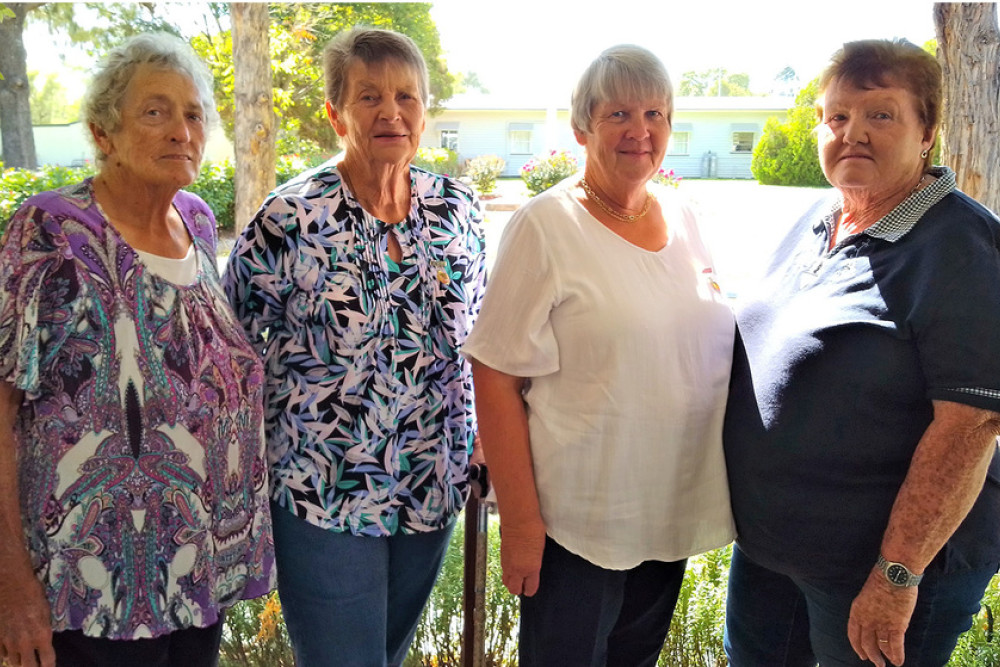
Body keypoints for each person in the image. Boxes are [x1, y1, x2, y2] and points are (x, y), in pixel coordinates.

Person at [0, 33, 275, 667]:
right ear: (104, 133)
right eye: (155, 112)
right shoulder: (51, 231)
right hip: (88, 586)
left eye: (193, 114)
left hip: (196, 571)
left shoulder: (200, 223)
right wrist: (11, 586)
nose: (181, 130)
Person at [723, 38, 1000, 667]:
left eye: (881, 114)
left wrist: (896, 577)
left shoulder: (960, 246)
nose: (854, 133)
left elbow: (970, 425)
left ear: (926, 130)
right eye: (838, 116)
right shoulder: (819, 219)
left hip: (879, 571)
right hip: (771, 552)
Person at [463, 44, 735, 666]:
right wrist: (523, 526)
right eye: (618, 114)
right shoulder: (546, 226)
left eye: (655, 113)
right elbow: (495, 376)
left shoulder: (686, 216)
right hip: (576, 528)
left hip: (665, 513)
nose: (640, 131)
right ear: (582, 128)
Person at [222, 27, 486, 667]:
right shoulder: (290, 219)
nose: (392, 112)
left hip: (432, 484)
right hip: (323, 490)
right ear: (336, 113)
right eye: (369, 96)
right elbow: (232, 348)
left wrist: (483, 444)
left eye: (407, 96)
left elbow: (482, 337)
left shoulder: (457, 210)